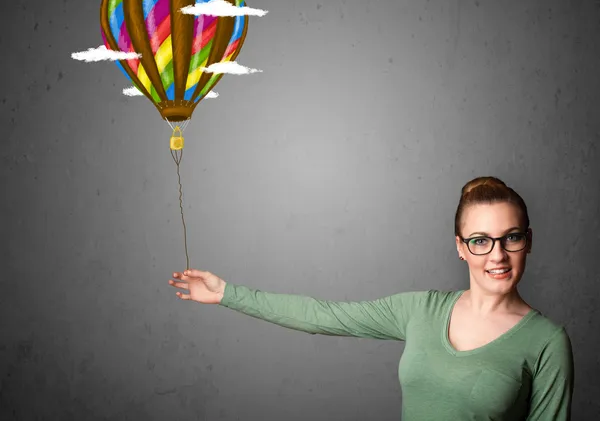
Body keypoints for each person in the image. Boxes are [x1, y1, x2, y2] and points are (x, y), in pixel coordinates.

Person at [168, 176, 574, 420]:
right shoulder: (420, 310)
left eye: (511, 238)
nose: (498, 255)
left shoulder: (546, 342)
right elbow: (323, 315)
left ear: (528, 241)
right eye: (481, 241)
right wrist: (228, 294)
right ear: (460, 247)